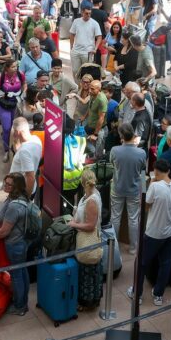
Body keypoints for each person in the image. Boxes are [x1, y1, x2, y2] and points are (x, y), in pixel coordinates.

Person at [127, 158, 171, 305]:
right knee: (165, 264)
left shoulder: (155, 187)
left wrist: (152, 183)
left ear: (157, 172)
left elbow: (145, 207)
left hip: (154, 233)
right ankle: (158, 294)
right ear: (169, 170)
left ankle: (137, 293)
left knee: (141, 263)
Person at [0, 172, 33, 316]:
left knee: (17, 274)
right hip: (22, 242)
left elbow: (4, 231)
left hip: (14, 244)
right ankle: (23, 301)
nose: (5, 185)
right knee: (22, 271)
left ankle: (20, 306)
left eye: (9, 184)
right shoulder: (20, 198)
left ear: (16, 187)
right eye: (5, 182)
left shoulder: (14, 206)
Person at [68, 167, 103, 311]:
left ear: (83, 183)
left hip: (88, 241)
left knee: (87, 273)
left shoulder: (91, 201)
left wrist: (73, 224)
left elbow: (90, 225)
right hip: (88, 239)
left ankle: (87, 302)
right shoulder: (90, 195)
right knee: (90, 272)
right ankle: (91, 298)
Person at [110, 123, 147, 254]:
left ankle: (113, 247)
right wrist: (144, 191)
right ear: (133, 134)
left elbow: (112, 164)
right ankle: (133, 247)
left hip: (117, 188)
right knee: (133, 219)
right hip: (134, 190)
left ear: (121, 136)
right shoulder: (142, 153)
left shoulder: (114, 150)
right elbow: (143, 172)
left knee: (115, 217)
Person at [10, 116, 42, 196]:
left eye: (14, 131)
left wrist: (25, 198)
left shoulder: (24, 151)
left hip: (20, 191)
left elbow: (30, 177)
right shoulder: (36, 139)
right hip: (28, 187)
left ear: (17, 132)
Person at [68, 5, 102, 78]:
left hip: (88, 51)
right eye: (86, 13)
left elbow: (99, 37)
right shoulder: (76, 21)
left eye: (90, 13)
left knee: (87, 72)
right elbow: (71, 33)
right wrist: (71, 45)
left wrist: (95, 49)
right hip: (76, 50)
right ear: (82, 12)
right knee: (75, 71)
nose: (88, 15)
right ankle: (78, 87)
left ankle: (85, 88)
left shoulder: (94, 23)